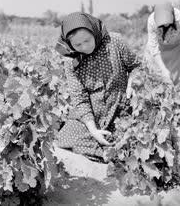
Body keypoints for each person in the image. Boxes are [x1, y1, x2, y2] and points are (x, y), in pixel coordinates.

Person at [55, 12, 140, 160]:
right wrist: (93, 130)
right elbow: (80, 99)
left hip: (121, 109)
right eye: (78, 45)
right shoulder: (71, 62)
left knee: (132, 140)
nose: (84, 47)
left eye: (87, 40)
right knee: (68, 139)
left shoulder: (115, 42)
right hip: (93, 115)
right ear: (70, 45)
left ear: (94, 31)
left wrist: (132, 83)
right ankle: (103, 146)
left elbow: (136, 66)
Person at [146, 2, 180, 85]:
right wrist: (163, 70)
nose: (165, 25)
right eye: (162, 23)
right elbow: (153, 47)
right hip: (159, 51)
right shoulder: (151, 21)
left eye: (167, 21)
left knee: (179, 80)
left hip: (176, 49)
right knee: (158, 81)